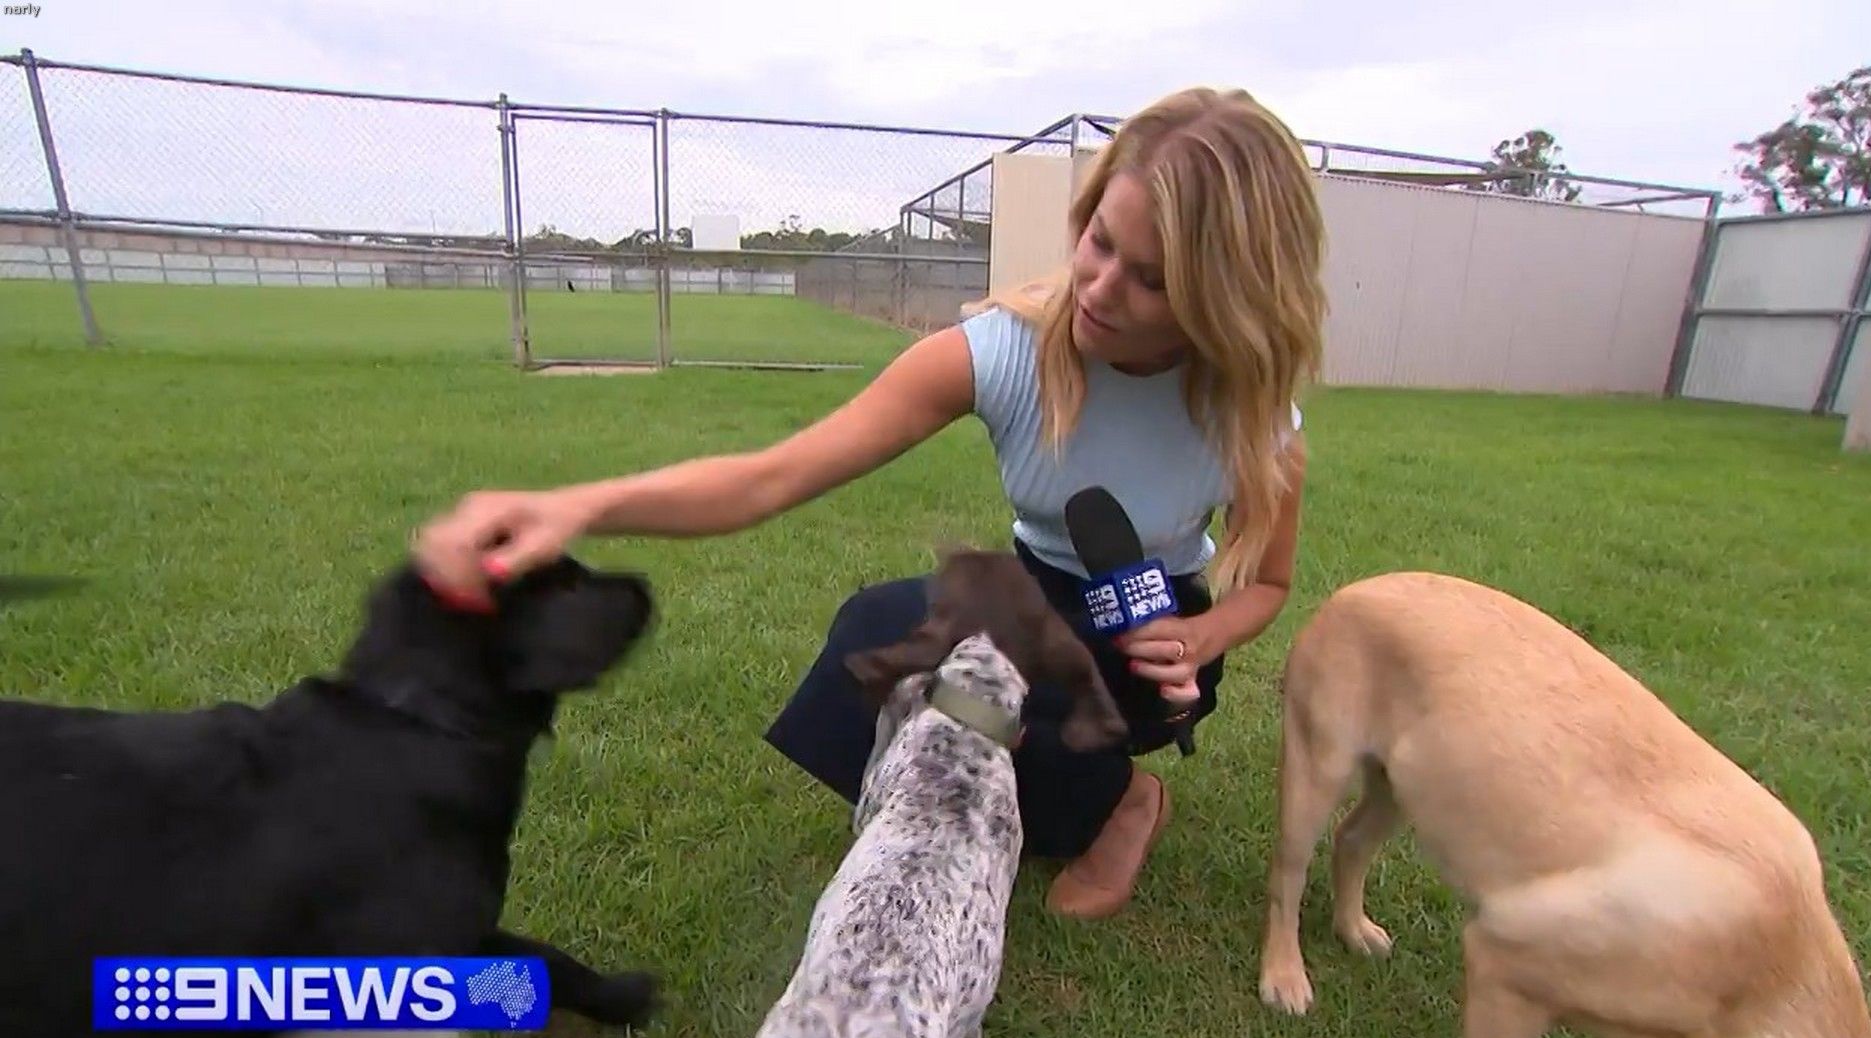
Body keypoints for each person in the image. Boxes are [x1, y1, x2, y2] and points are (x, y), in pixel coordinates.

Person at [410, 86, 1328, 919]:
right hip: (1033, 593)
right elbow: (771, 477)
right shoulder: (1010, 352)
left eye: (1151, 278)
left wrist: (1202, 638)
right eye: (1099, 240)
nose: (1098, 286)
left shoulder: (1249, 414)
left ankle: (1126, 800)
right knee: (881, 638)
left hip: (1151, 629)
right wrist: (578, 507)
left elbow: (1269, 585)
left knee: (1049, 741)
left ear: (1223, 297)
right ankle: (1052, 774)